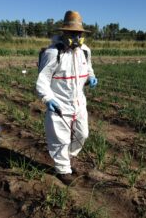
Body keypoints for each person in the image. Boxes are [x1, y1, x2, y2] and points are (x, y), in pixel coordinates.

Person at [36, 10, 98, 184]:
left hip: (79, 102)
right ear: (64, 33)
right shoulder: (53, 53)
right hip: (59, 103)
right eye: (72, 33)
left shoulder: (85, 51)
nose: (76, 38)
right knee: (60, 138)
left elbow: (88, 68)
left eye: (79, 34)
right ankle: (63, 169)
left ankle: (68, 158)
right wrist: (48, 99)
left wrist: (90, 77)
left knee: (83, 134)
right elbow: (42, 80)